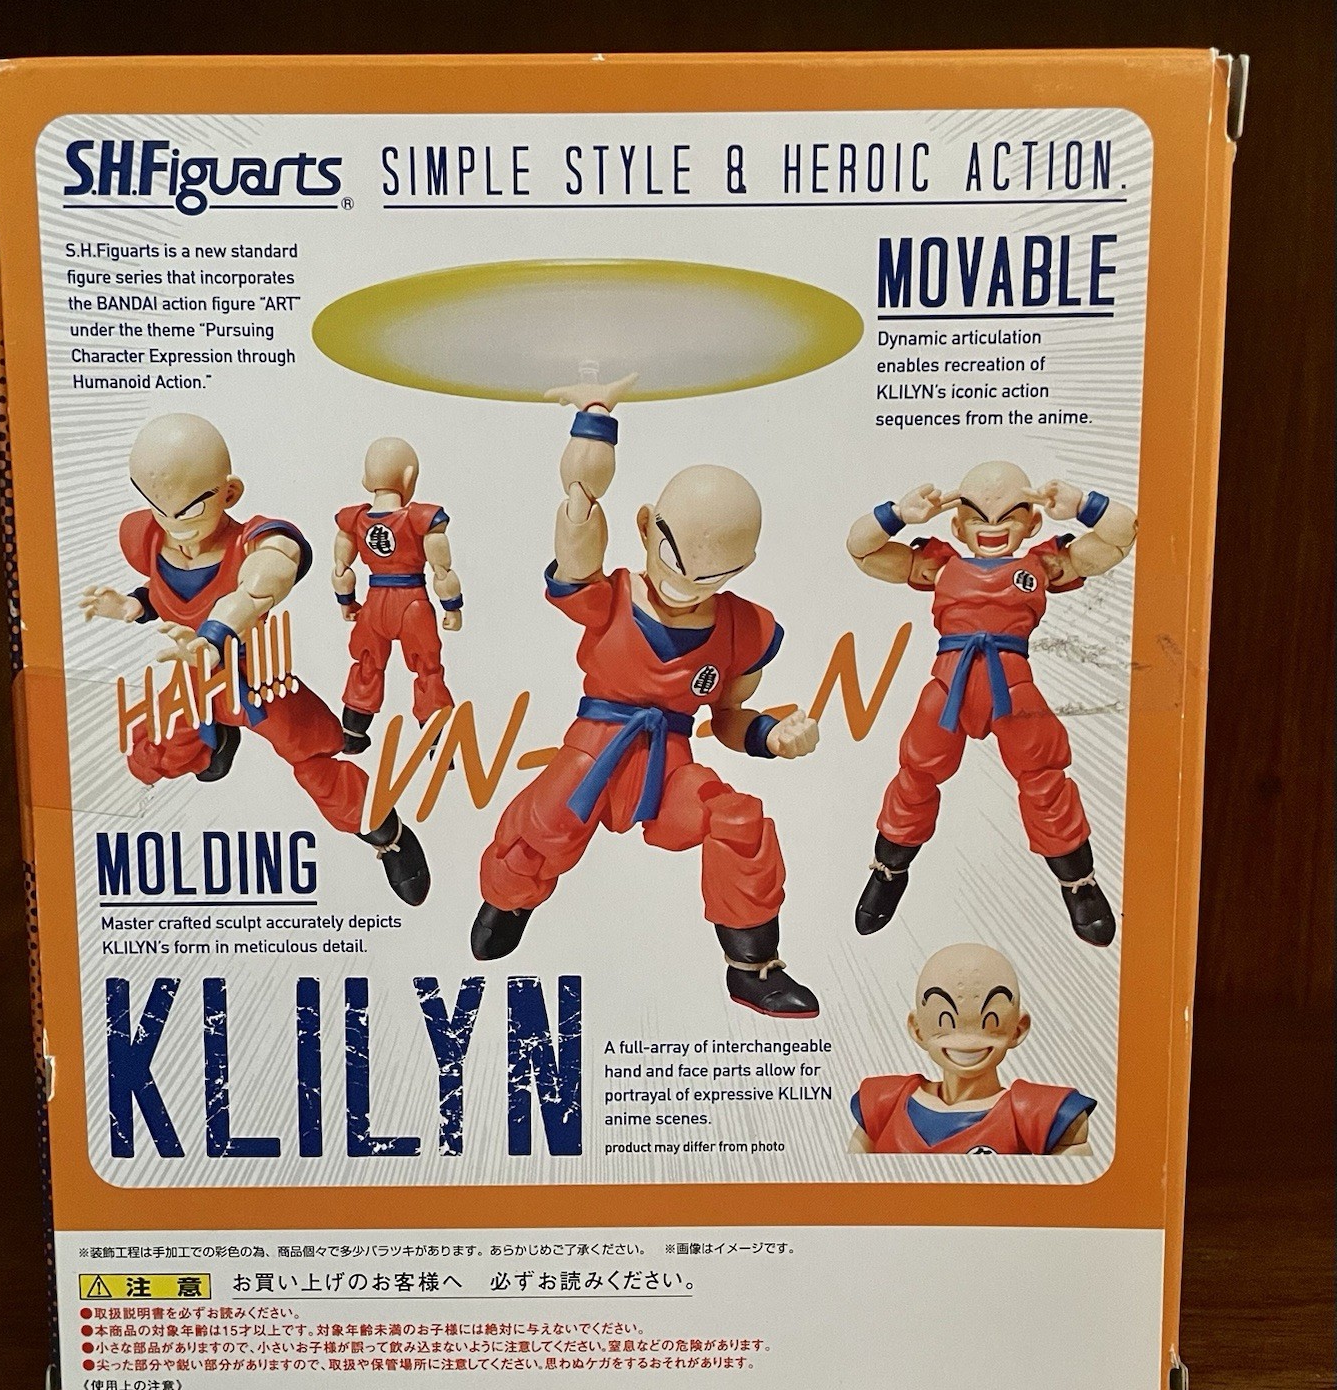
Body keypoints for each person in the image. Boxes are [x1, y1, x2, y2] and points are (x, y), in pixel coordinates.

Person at [471, 374, 822, 1018]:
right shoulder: (611, 598)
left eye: (712, 573)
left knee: (740, 820)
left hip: (671, 768)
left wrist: (772, 734)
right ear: (644, 527)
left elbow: (730, 717)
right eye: (674, 556)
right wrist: (594, 420)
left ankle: (753, 967)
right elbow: (578, 522)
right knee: (537, 828)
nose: (685, 584)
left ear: (741, 567)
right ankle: (506, 901)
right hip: (593, 750)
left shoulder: (743, 627)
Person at [79, 413, 429, 904]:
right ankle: (214, 744)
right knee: (153, 754)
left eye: (188, 510)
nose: (173, 525)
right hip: (194, 682)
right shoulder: (149, 537)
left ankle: (387, 835)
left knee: (315, 761)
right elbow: (165, 592)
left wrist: (217, 634)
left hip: (255, 680)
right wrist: (131, 607)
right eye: (158, 508)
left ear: (229, 493)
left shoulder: (258, 541)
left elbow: (266, 578)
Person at [846, 461, 1137, 946]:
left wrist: (1083, 505)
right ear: (958, 526)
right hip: (949, 684)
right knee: (916, 772)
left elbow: (1121, 536)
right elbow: (862, 550)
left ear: (1033, 522)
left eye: (1008, 516)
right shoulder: (941, 564)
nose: (993, 528)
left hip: (1012, 684)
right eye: (978, 517)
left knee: (1044, 775)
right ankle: (888, 871)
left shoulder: (1041, 565)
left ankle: (1079, 884)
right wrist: (897, 513)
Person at [848, 942, 1096, 1156]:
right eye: (945, 1020)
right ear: (917, 1029)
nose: (967, 1042)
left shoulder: (1039, 1115)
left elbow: (1073, 1190)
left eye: (991, 1020)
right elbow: (850, 1182)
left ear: (1018, 1029)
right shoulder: (883, 1104)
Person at [331, 437, 463, 750]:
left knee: (366, 664)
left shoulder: (354, 519)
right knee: (427, 669)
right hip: (411, 602)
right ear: (408, 477)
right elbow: (442, 570)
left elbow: (340, 569)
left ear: (366, 479)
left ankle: (352, 733)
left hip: (374, 603)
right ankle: (437, 744)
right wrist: (452, 607)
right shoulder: (421, 519)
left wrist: (346, 602)